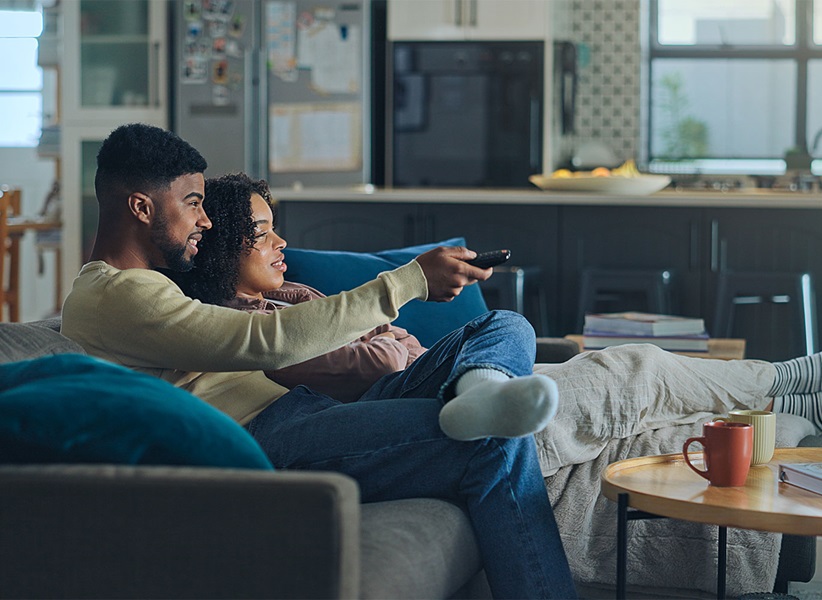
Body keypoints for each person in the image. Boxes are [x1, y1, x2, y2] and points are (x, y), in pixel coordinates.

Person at [60, 123, 577, 598]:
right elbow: (267, 340)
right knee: (492, 442)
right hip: (267, 438)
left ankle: (483, 388)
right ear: (141, 208)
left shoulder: (150, 285)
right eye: (193, 203)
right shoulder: (117, 296)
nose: (205, 219)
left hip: (303, 413)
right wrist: (409, 280)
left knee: (504, 326)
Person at [171, 172, 822, 476]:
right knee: (633, 368)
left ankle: (785, 391)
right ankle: (783, 385)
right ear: (225, 245)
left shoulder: (294, 296)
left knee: (513, 324)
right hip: (412, 395)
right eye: (262, 233)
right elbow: (380, 361)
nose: (280, 243)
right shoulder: (240, 330)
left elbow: (395, 342)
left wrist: (390, 340)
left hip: (438, 381)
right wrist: (387, 341)